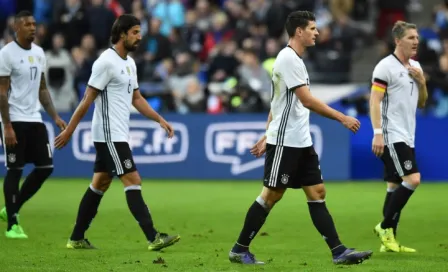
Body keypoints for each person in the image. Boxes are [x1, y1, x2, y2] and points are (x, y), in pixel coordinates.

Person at [228, 11, 373, 265]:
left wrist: (265, 132)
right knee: (271, 196)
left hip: (300, 141)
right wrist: (342, 117)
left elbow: (278, 103)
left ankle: (339, 251)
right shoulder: (287, 59)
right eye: (313, 28)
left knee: (317, 192)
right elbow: (306, 100)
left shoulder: (294, 59)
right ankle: (239, 249)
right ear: (299, 31)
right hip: (285, 141)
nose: (317, 32)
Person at [54, 14, 180, 251]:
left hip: (118, 133)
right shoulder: (105, 62)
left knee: (99, 184)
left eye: (139, 32)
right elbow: (86, 100)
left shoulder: (129, 63)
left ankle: (76, 237)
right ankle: (153, 237)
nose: (139, 37)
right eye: (135, 32)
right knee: (133, 180)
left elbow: (137, 98)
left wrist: (160, 119)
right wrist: (69, 131)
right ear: (122, 34)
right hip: (109, 134)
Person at [0, 10, 67, 239]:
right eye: (27, 24)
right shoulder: (7, 54)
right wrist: (7, 125)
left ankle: (12, 207)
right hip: (15, 120)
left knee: (45, 168)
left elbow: (42, 88)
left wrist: (55, 116)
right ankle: (12, 225)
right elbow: (1, 93)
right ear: (17, 28)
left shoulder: (39, 53)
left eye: (34, 24)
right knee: (15, 170)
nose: (33, 27)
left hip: (35, 118)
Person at [370, 20, 428, 253]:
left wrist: (422, 82)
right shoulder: (385, 67)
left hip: (407, 133)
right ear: (397, 41)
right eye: (411, 38)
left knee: (394, 185)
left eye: (417, 37)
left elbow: (422, 103)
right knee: (412, 179)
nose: (416, 41)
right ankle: (385, 227)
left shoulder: (416, 67)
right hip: (391, 134)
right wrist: (377, 133)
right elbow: (374, 101)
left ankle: (388, 242)